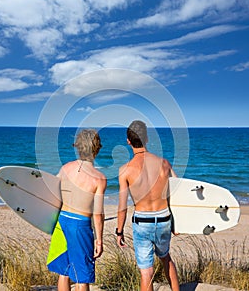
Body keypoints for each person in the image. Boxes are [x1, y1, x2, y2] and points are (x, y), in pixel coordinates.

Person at [116, 120, 180, 291]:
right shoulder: (164, 163)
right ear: (147, 139)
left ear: (128, 141)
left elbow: (122, 206)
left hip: (142, 222)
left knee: (146, 272)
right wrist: (178, 223)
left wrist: (119, 231)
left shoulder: (125, 170)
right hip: (164, 218)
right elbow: (179, 193)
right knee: (166, 258)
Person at [50, 129, 107, 291]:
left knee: (64, 272)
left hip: (62, 222)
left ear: (78, 147)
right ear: (97, 148)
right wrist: (99, 240)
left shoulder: (65, 168)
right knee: (82, 277)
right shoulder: (99, 178)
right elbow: (98, 214)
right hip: (80, 226)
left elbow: (52, 194)